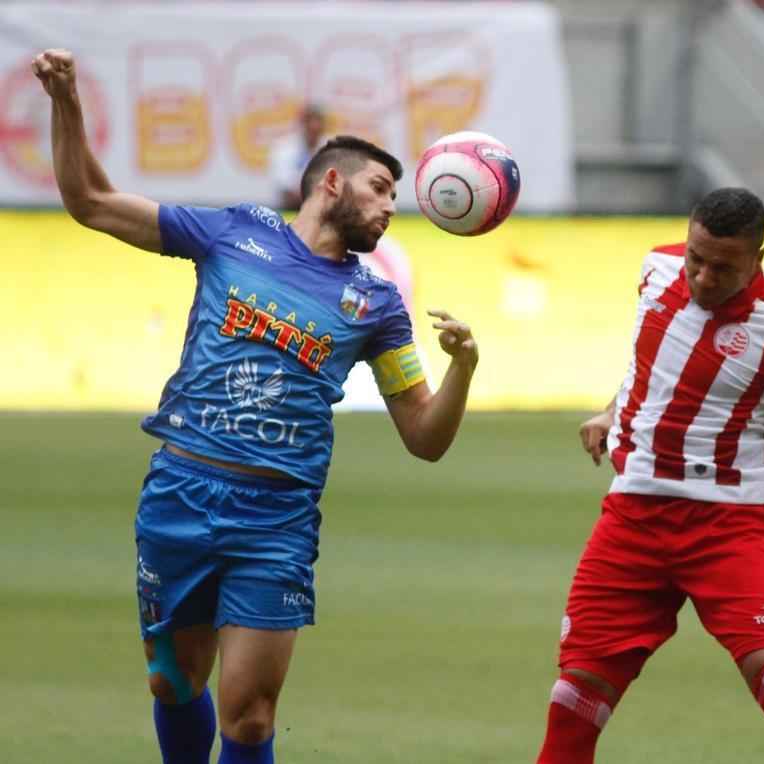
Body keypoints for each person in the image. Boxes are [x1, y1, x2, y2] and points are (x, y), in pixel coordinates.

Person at [34, 48, 479, 764]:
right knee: (173, 683)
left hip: (276, 517)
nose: (393, 205)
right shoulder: (231, 235)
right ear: (330, 182)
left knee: (249, 718)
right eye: (380, 187)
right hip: (181, 490)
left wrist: (463, 368)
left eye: (397, 194)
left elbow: (425, 436)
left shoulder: (376, 304)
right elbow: (89, 202)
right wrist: (66, 102)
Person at [535, 187, 764, 764]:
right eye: (695, 260)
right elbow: (648, 358)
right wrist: (613, 409)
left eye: (722, 268)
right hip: (631, 519)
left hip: (726, 527)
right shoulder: (656, 267)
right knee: (575, 697)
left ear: (757, 257)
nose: (702, 277)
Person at [269, 103, 327, 210]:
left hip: (322, 210)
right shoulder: (284, 148)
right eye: (309, 123)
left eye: (317, 123)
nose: (314, 127)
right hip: (290, 210)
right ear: (302, 124)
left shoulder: (331, 148)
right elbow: (284, 186)